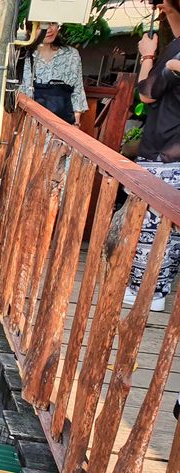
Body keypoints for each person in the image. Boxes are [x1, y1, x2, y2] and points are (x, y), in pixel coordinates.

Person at [124, 12, 180, 313]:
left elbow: (146, 94)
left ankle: (145, 291)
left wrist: (148, 56)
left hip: (165, 151)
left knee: (152, 226)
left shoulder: (176, 54)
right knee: (169, 228)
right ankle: (156, 290)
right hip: (170, 151)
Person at [19, 22, 87, 125]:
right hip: (29, 125)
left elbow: (77, 91)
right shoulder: (21, 56)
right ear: (30, 31)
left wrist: (76, 124)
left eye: (52, 23)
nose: (49, 29)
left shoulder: (71, 54)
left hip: (62, 125)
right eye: (40, 26)